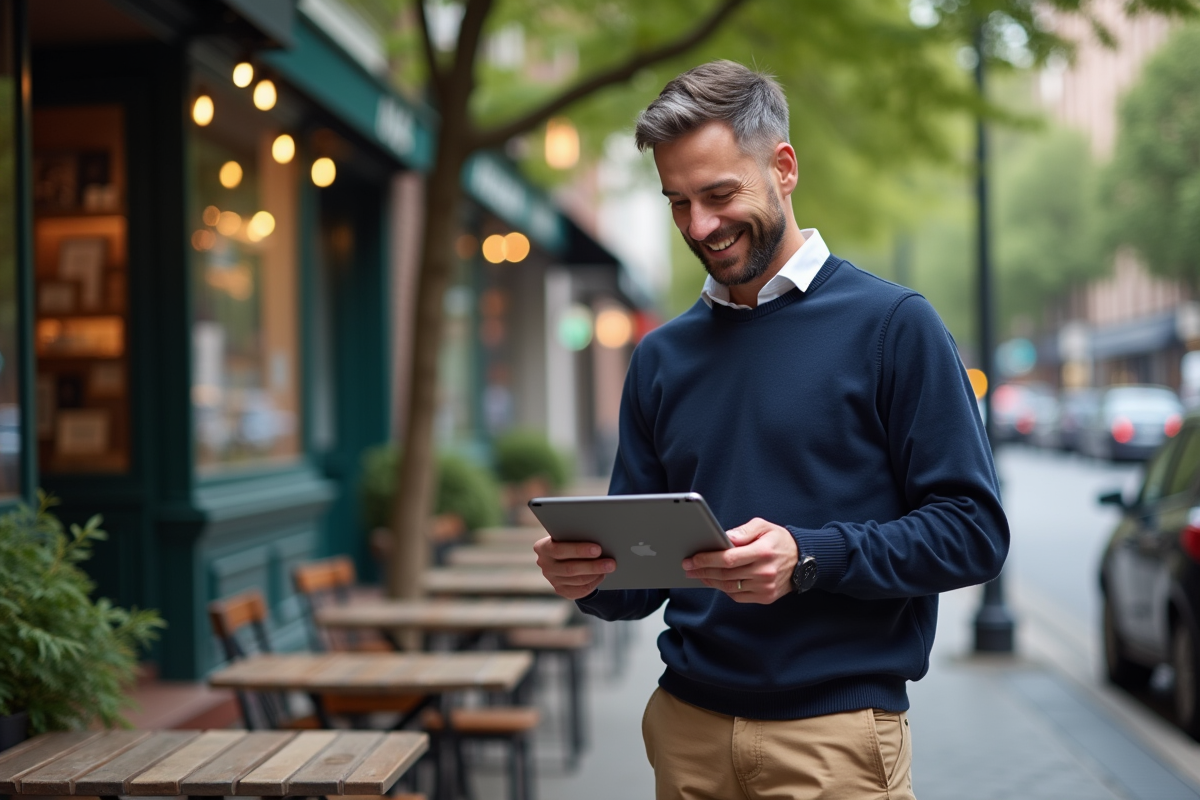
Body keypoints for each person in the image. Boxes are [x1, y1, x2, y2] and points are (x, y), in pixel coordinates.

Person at [533, 60, 1008, 800]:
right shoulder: (661, 356)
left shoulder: (893, 326)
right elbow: (638, 574)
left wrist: (809, 556)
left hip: (835, 741)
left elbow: (973, 530)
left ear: (783, 167)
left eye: (721, 194)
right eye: (678, 202)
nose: (700, 226)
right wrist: (588, 576)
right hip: (685, 733)